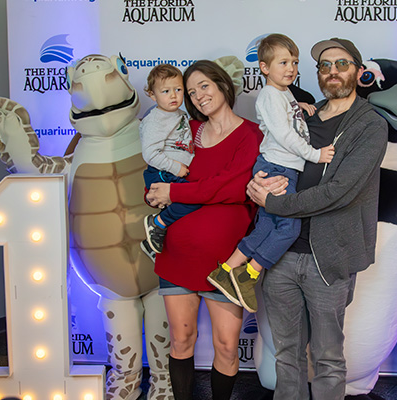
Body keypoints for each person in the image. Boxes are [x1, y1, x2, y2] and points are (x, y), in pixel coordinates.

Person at [246, 37, 388, 400]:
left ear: (357, 70)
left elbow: (338, 191)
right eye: (325, 65)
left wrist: (276, 204)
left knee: (327, 359)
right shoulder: (302, 113)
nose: (333, 71)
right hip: (280, 253)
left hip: (328, 258)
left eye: (342, 64)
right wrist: (258, 183)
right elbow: (276, 154)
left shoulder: (370, 125)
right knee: (286, 357)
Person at [145, 59, 262, 400]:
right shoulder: (188, 130)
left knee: (227, 346)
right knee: (181, 340)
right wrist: (156, 192)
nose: (197, 96)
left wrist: (175, 193)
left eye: (204, 86)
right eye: (191, 92)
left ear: (223, 85)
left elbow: (231, 187)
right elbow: (160, 166)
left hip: (226, 261)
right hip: (179, 255)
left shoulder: (250, 134)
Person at [206, 33, 335, 313]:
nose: (291, 68)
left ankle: (226, 269)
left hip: (279, 165)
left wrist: (297, 108)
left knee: (266, 225)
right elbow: (285, 135)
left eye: (295, 62)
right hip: (278, 167)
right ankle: (247, 275)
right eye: (283, 62)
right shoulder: (268, 94)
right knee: (289, 227)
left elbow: (282, 118)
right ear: (264, 68)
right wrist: (315, 154)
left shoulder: (283, 94)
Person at [138, 64, 199, 258]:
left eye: (178, 90)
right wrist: (175, 168)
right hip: (163, 173)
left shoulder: (180, 114)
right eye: (165, 91)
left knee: (187, 213)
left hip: (175, 171)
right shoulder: (155, 119)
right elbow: (150, 154)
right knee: (193, 200)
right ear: (152, 95)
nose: (173, 96)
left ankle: (151, 245)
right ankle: (156, 223)